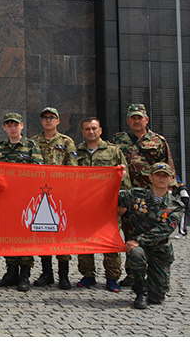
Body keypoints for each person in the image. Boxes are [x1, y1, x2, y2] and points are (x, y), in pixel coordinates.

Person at [112, 103, 178, 287]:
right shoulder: (118, 140)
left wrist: (168, 195)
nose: (136, 120)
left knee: (151, 233)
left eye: (139, 117)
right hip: (128, 197)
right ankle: (133, 273)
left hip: (152, 197)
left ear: (146, 120)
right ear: (128, 120)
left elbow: (169, 167)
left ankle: (154, 269)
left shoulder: (158, 141)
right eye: (133, 117)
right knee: (129, 232)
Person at [75, 117, 131, 293]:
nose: (91, 132)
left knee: (110, 241)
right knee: (84, 240)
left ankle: (112, 277)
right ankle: (88, 275)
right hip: (84, 205)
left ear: (100, 130)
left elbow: (124, 177)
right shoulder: (77, 152)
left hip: (108, 205)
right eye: (87, 129)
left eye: (94, 128)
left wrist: (123, 202)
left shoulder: (113, 152)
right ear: (82, 132)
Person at [0, 112, 43, 292]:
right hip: (5, 200)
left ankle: (25, 275)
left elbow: (38, 169)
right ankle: (11, 271)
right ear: (4, 127)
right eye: (9, 125)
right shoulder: (0, 148)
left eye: (15, 124)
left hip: (25, 199)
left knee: (25, 236)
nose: (12, 128)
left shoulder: (30, 146)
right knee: (7, 235)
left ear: (22, 126)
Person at [118, 162, 184, 308]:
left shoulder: (176, 206)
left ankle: (150, 287)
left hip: (160, 251)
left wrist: (138, 240)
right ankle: (141, 291)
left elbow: (165, 229)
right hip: (140, 248)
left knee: (157, 298)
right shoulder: (135, 196)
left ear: (171, 179)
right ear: (150, 177)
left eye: (165, 176)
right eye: (158, 175)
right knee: (135, 253)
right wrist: (119, 179)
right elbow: (108, 196)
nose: (161, 178)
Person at [31, 107, 78, 290]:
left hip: (60, 195)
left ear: (58, 121)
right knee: (43, 231)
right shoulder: (34, 142)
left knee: (61, 233)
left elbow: (73, 167)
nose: (48, 121)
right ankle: (46, 273)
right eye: (45, 118)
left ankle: (64, 274)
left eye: (52, 118)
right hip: (40, 193)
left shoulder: (67, 142)